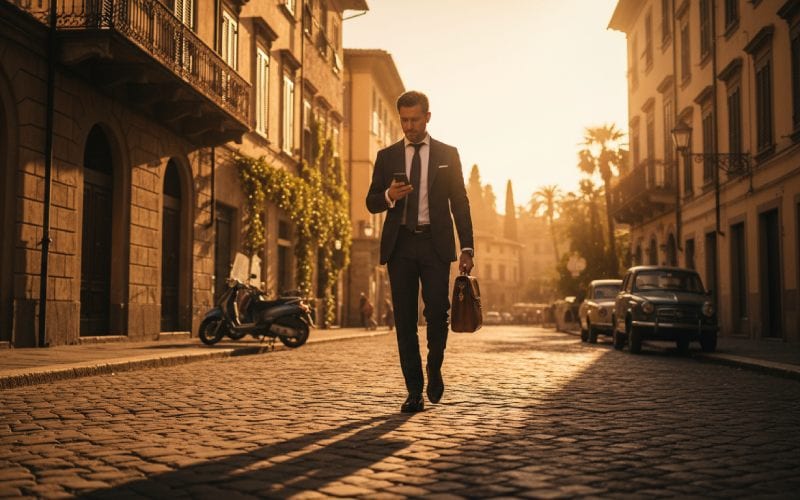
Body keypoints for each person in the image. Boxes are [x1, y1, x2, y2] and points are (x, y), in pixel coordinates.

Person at [366, 90, 474, 413]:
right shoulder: (387, 156)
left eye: (414, 120)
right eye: (404, 120)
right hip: (400, 245)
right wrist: (389, 195)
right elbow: (371, 202)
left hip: (434, 244)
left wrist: (467, 247)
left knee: (438, 312)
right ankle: (414, 390)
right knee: (404, 319)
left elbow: (460, 203)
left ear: (427, 117)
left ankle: (434, 366)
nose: (409, 126)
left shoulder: (447, 154)